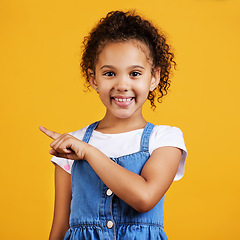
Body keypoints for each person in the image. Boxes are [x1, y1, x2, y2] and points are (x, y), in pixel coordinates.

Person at [40, 10, 187, 240]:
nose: (122, 84)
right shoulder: (70, 147)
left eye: (135, 73)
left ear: (154, 78)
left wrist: (89, 153)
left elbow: (144, 198)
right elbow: (59, 229)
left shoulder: (166, 139)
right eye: (109, 73)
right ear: (93, 79)